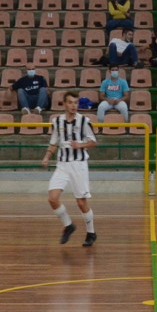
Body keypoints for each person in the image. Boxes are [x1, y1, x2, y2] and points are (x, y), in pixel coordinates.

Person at [44, 99, 99, 246]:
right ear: (64, 105)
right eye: (70, 102)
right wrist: (47, 156)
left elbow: (93, 141)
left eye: (75, 102)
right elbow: (53, 142)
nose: (73, 105)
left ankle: (91, 232)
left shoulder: (84, 121)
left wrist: (80, 145)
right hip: (62, 165)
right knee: (52, 198)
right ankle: (68, 225)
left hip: (78, 165)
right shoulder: (57, 122)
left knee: (81, 202)